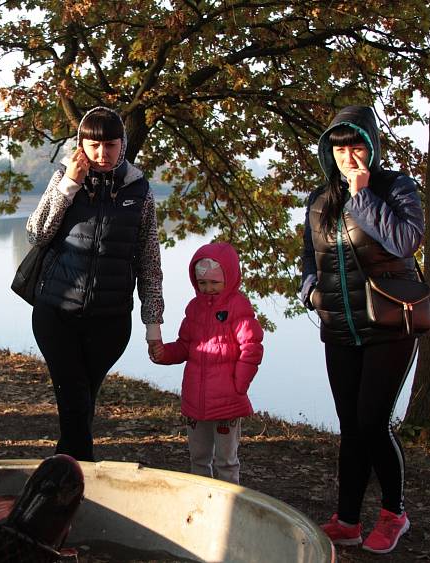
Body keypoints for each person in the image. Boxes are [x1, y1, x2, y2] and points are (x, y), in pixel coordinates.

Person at [300, 105, 424, 554]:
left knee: (373, 422)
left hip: (390, 325)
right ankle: (348, 519)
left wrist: (364, 195)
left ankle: (395, 513)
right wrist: (311, 292)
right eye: (339, 148)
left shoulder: (395, 187)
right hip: (339, 327)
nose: (347, 156)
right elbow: (308, 258)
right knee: (350, 426)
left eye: (355, 147)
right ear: (328, 151)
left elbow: (406, 240)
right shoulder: (318, 198)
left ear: (370, 147)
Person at [26, 106, 164, 462]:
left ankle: (63, 484)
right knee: (74, 407)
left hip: (111, 321)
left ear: (123, 145)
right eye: (94, 145)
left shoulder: (140, 192)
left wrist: (154, 325)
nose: (102, 154)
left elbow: (149, 262)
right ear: (80, 145)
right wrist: (69, 185)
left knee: (81, 407)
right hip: (56, 313)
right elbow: (36, 232)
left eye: (111, 145)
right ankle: (77, 485)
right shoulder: (65, 180)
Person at [149, 242, 263, 484]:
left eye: (214, 283)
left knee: (226, 461)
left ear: (229, 278)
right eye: (202, 283)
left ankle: (229, 503)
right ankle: (201, 503)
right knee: (198, 458)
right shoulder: (194, 308)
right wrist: (163, 353)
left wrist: (239, 385)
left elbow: (251, 348)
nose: (208, 289)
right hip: (195, 400)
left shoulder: (238, 307)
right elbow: (184, 346)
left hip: (227, 400)